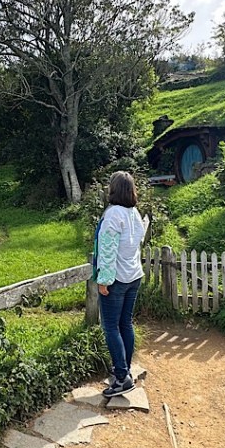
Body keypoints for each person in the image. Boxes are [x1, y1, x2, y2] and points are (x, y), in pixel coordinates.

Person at [93, 170, 148, 398]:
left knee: (111, 327)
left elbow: (107, 251)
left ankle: (122, 377)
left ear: (113, 189)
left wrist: (103, 281)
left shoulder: (113, 214)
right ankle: (123, 368)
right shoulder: (134, 213)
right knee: (125, 323)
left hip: (116, 279)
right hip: (133, 276)